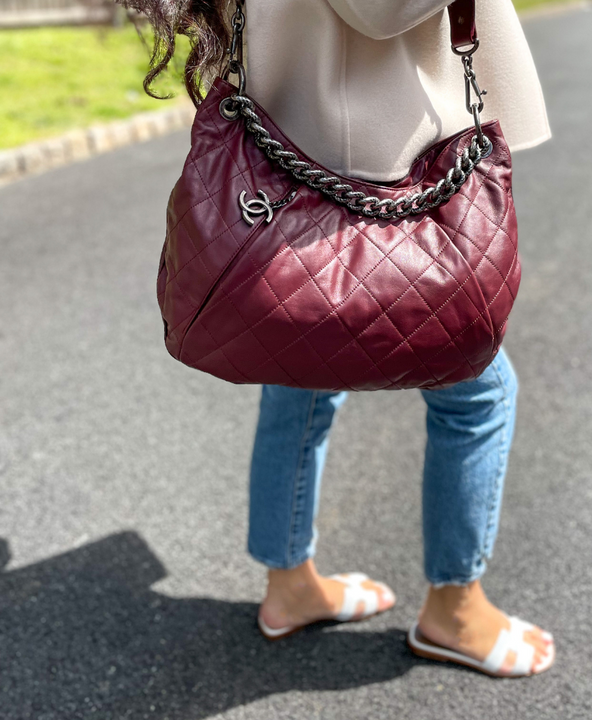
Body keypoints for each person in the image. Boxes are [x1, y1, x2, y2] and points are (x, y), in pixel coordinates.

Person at [132, 0, 554, 678]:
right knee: (477, 393)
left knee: (300, 377)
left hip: (291, 135)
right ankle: (455, 609)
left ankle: (290, 583)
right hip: (377, 150)